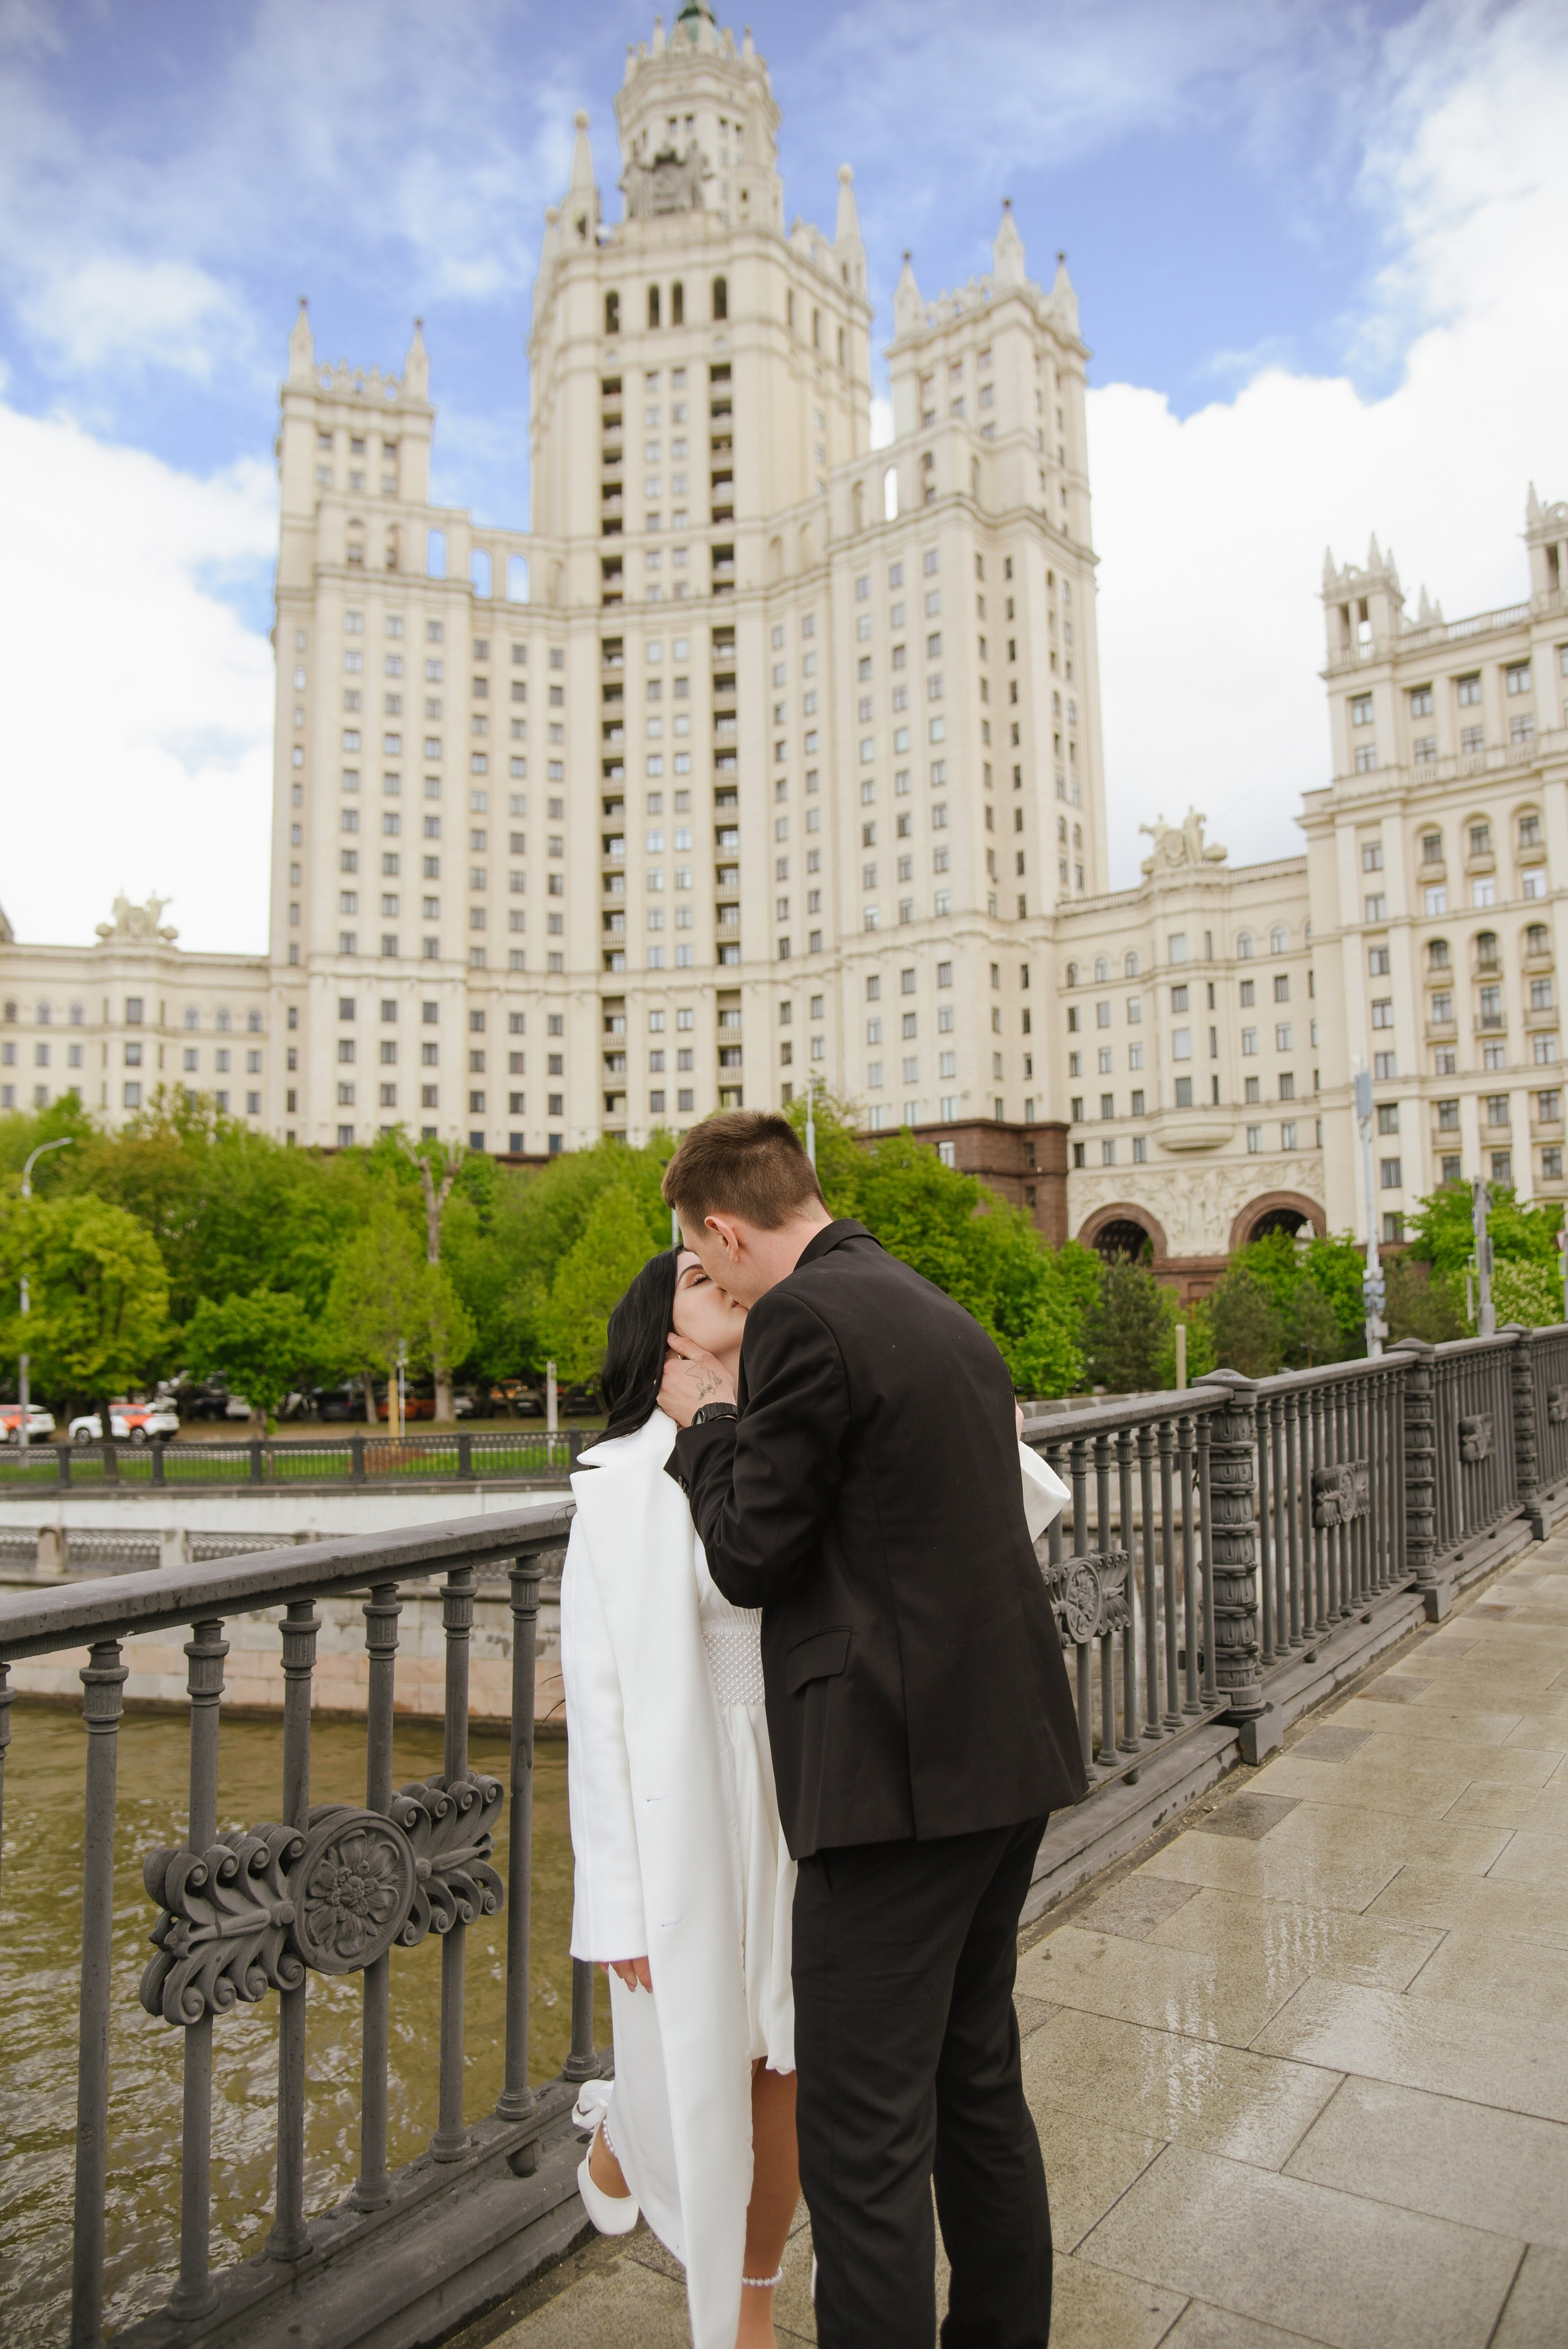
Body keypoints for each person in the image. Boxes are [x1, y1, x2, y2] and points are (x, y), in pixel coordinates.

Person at [561, 1233, 1068, 2349]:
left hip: (820, 1779)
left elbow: (996, 1519)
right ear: (662, 1334)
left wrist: (968, 1424)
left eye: (717, 1264)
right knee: (692, 2053)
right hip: (700, 1801)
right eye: (693, 1280)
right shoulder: (614, 1483)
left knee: (792, 2063)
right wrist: (614, 1903)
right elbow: (599, 1709)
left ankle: (748, 2304)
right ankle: (619, 2131)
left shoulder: (819, 1394)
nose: (723, 1281)